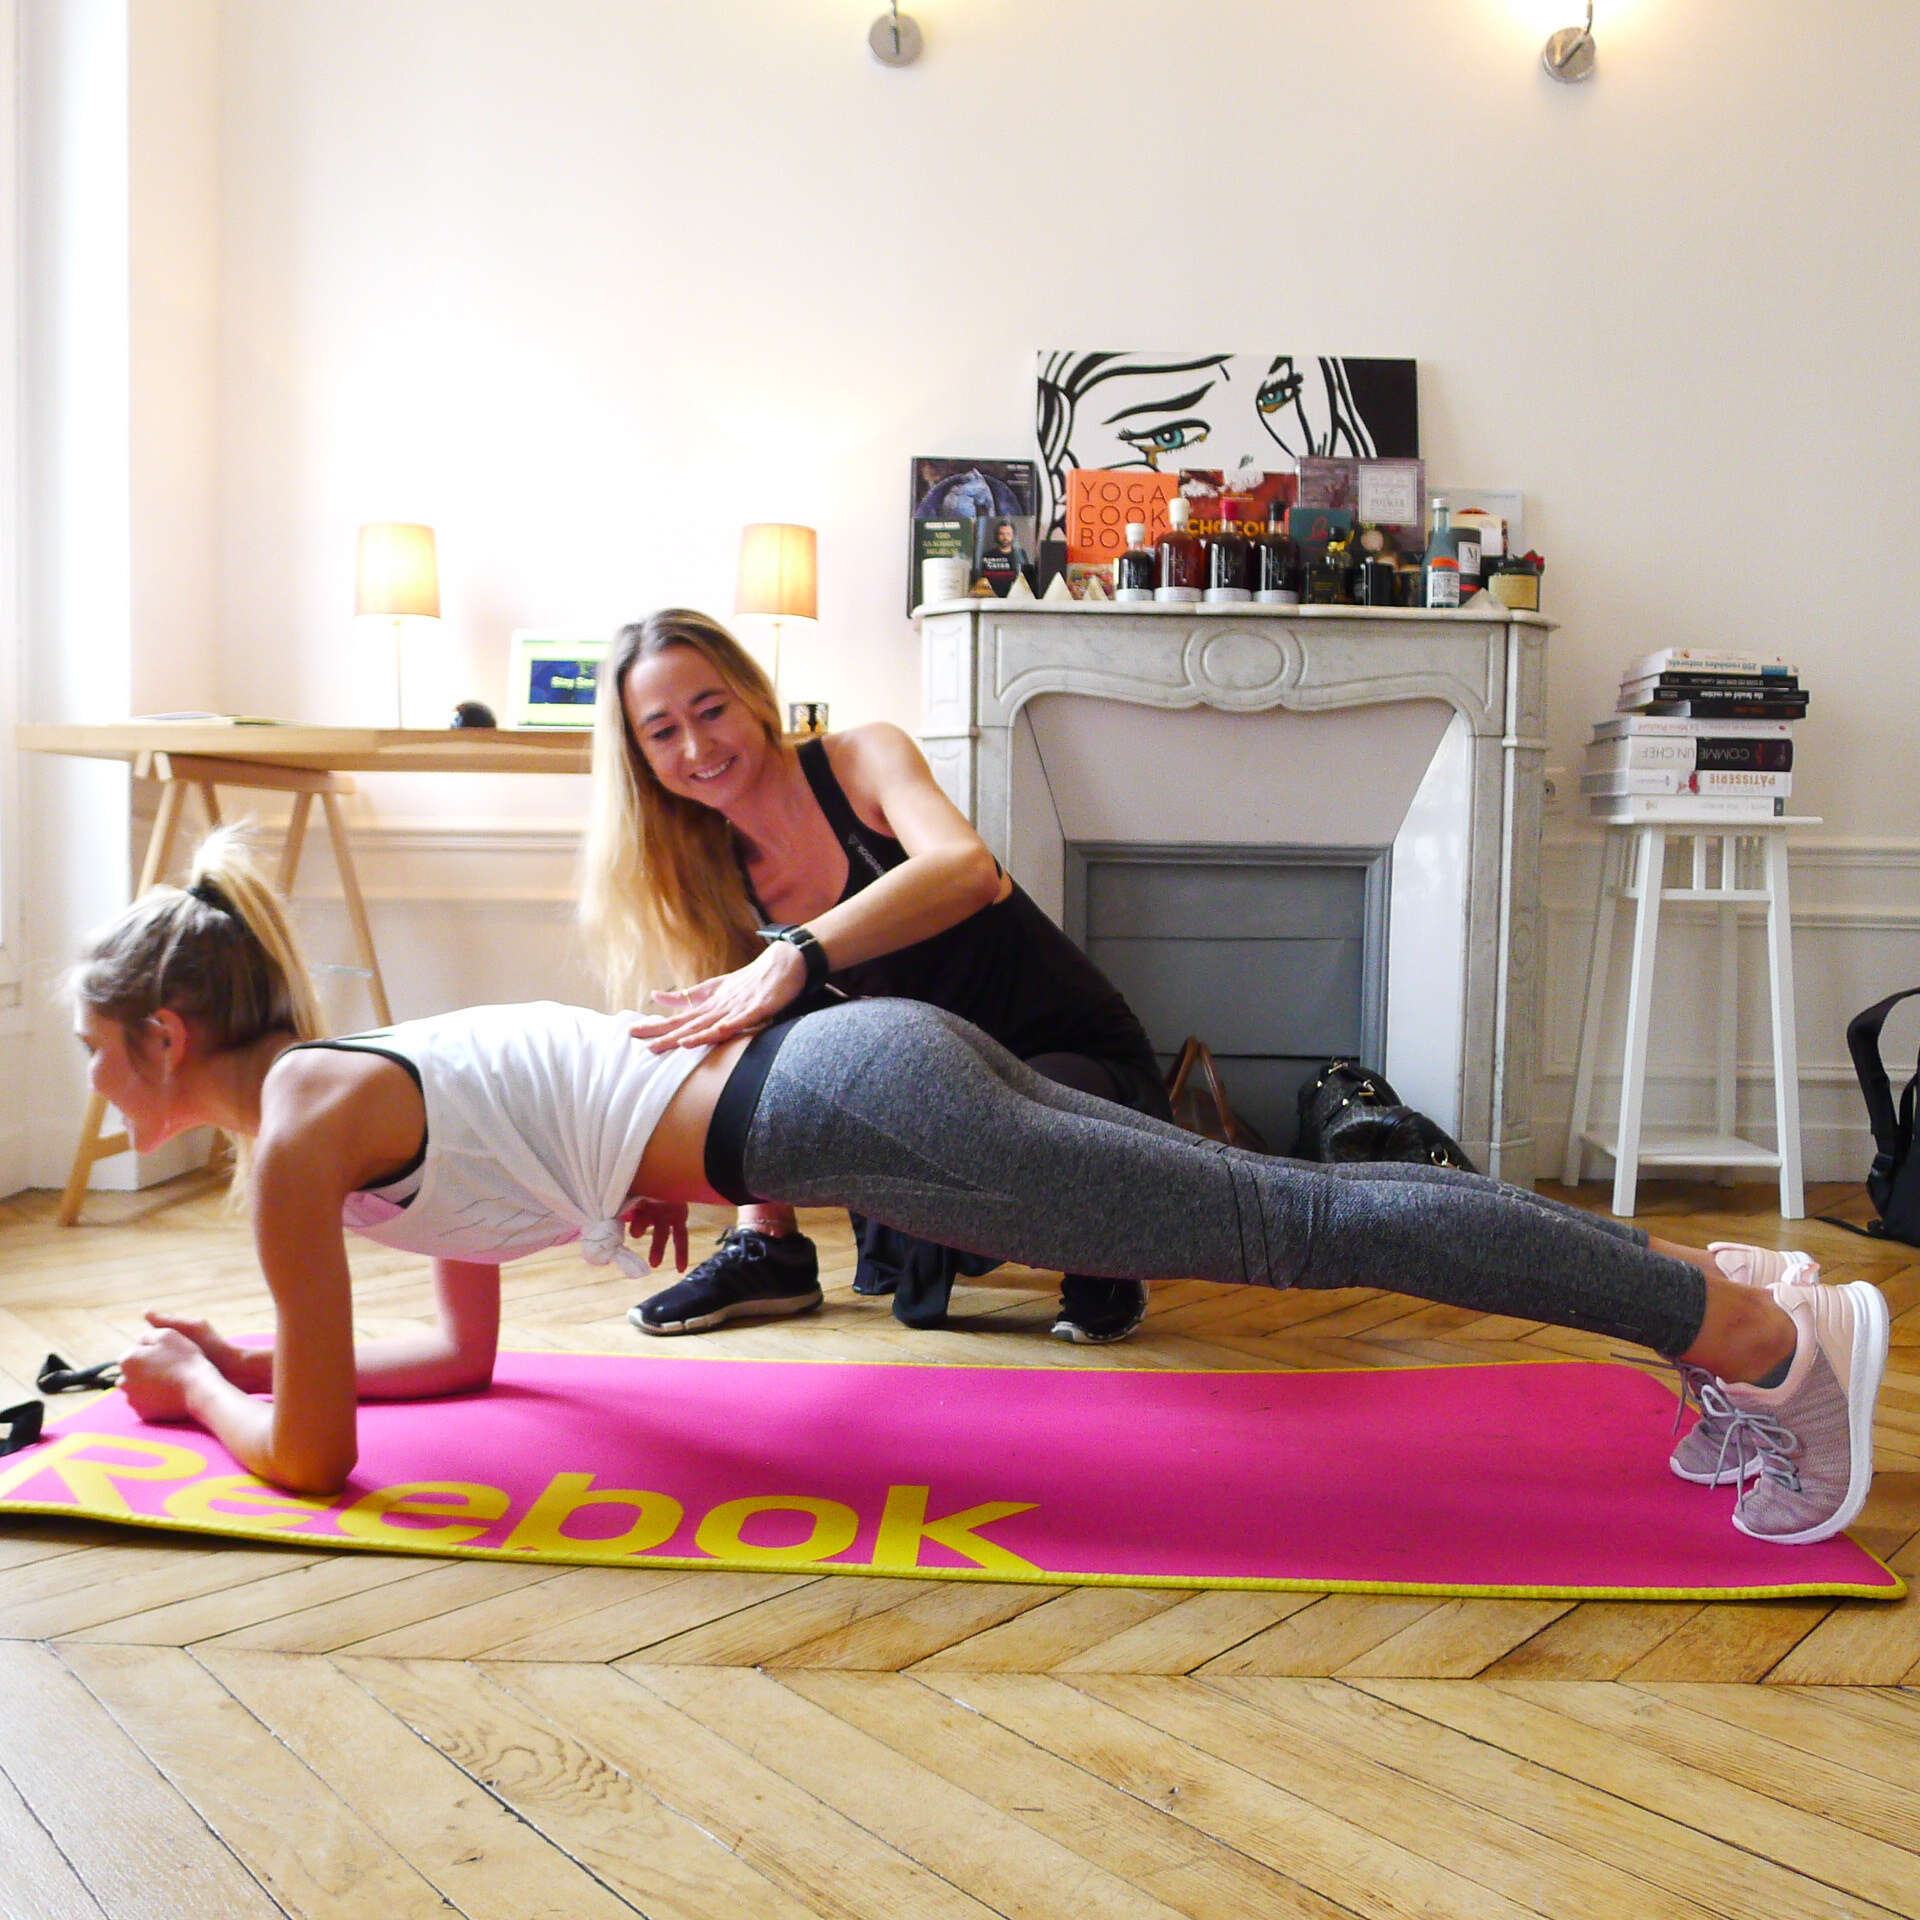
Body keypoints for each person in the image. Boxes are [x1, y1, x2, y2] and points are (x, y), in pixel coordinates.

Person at [83, 831, 1887, 1544]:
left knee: (1302, 1223)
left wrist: (195, 1399)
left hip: (849, 1108)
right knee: (1293, 1208)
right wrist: (250, 1364)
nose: (94, 1084)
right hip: (860, 1078)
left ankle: (1753, 1343)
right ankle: (1732, 1302)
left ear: (169, 1036)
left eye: (99, 1050)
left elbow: (311, 1467)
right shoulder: (340, 1097)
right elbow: (460, 1367)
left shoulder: (301, 1136)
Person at [579, 607, 1168, 1343]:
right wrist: (663, 1164)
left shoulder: (862, 757)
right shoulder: (706, 871)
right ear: (639, 756)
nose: (698, 746)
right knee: (770, 1053)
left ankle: (1105, 1240)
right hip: (935, 1103)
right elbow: (730, 1044)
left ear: (753, 696)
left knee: (1004, 1130)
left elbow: (966, 868)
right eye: (663, 732)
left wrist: (798, 951)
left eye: (711, 709)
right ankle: (770, 1251)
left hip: (1068, 1069)